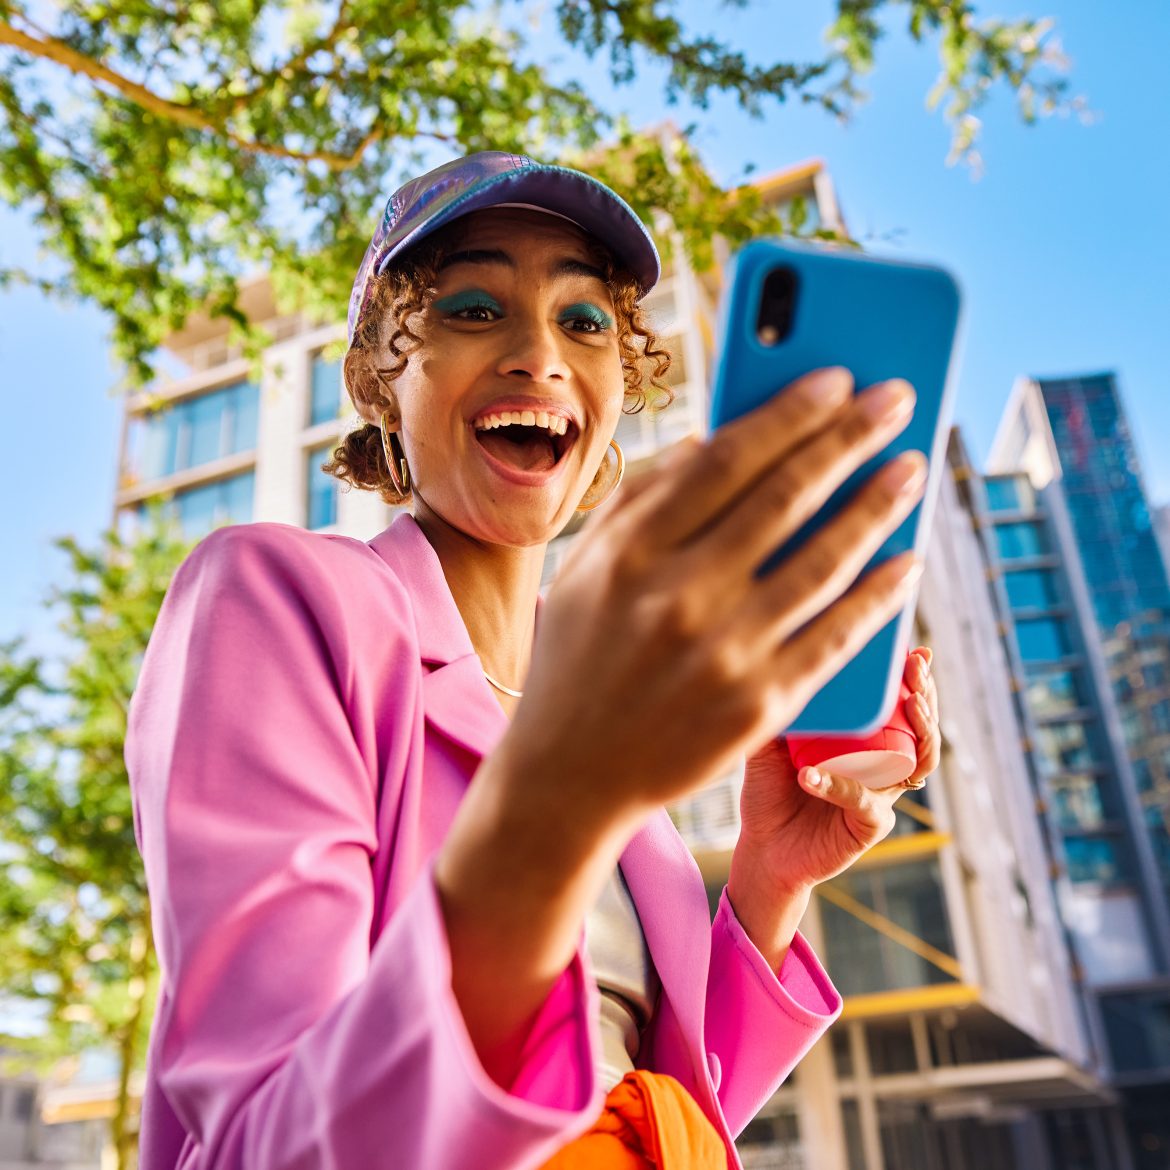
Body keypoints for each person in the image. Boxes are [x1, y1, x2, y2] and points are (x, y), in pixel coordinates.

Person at [126, 151, 941, 1170]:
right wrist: (562, 791)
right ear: (378, 377)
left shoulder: (593, 686)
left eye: (585, 322)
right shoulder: (275, 595)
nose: (538, 356)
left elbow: (645, 1086)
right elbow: (276, 1138)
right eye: (473, 308)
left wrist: (770, 884)